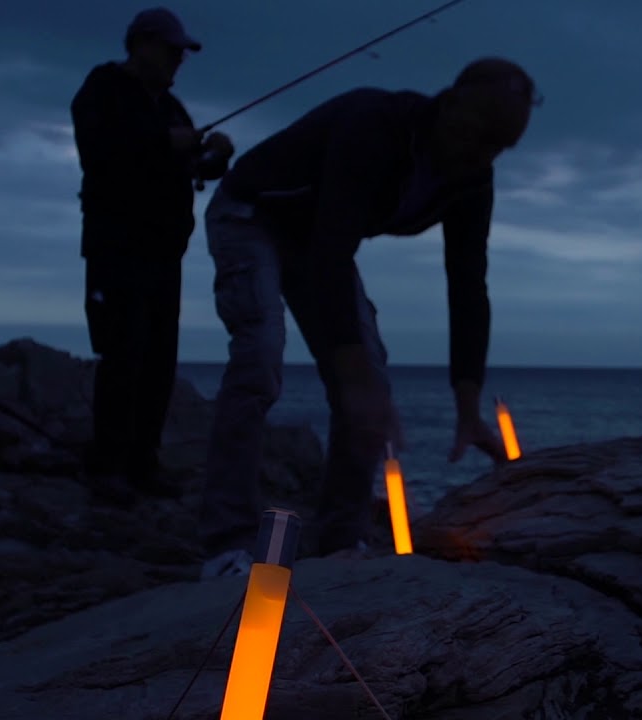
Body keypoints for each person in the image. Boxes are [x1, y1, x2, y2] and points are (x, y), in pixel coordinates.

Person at [197, 57, 538, 577]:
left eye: (498, 147)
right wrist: (351, 372)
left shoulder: (473, 179)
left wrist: (468, 406)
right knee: (261, 353)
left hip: (318, 240)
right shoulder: (376, 124)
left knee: (371, 380)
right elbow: (332, 247)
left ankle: (339, 543)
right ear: (450, 103)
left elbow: (468, 286)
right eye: (478, 135)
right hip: (252, 215)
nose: (479, 155)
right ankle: (226, 543)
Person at [70, 7, 235, 505]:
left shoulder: (172, 107)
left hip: (165, 253)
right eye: (171, 50)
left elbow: (189, 166)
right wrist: (167, 142)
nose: (178, 61)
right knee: (122, 351)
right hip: (116, 248)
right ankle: (109, 466)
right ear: (141, 44)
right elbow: (101, 149)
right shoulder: (101, 90)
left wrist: (215, 158)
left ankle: (144, 462)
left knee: (158, 359)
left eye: (181, 53)